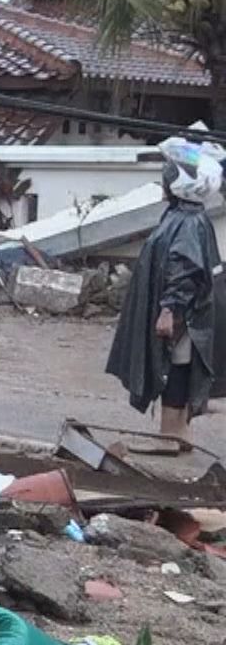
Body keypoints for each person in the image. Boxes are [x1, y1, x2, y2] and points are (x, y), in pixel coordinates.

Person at [106, 152, 226, 440]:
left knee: (174, 369)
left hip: (184, 315)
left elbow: (183, 268)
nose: (162, 184)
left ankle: (171, 435)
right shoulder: (192, 218)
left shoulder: (184, 221)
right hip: (192, 312)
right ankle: (180, 435)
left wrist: (169, 309)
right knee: (179, 368)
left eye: (167, 178)